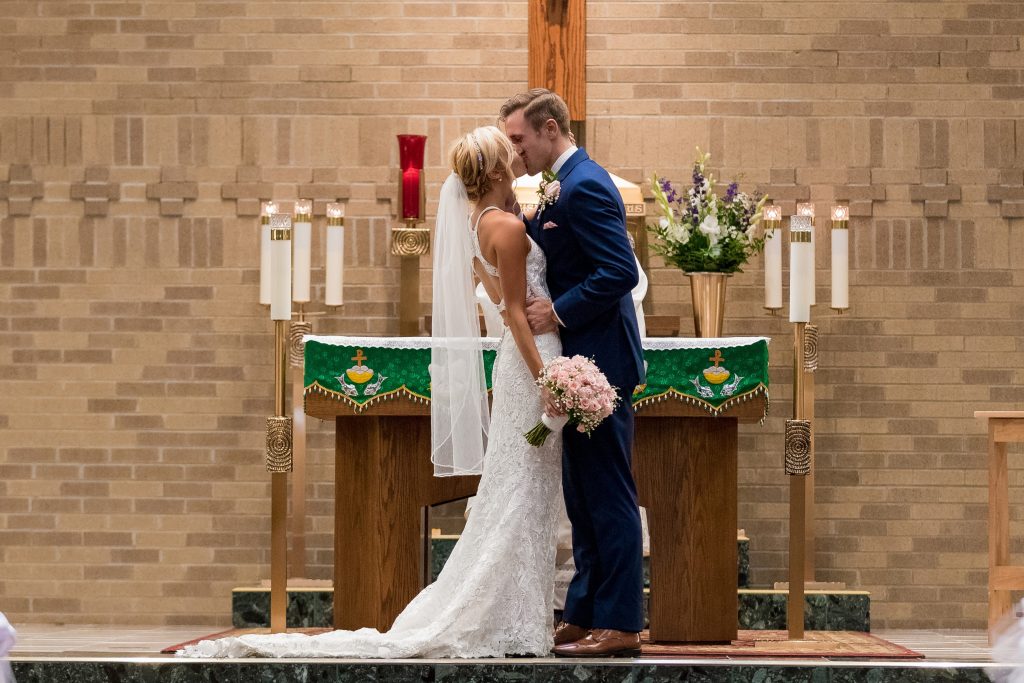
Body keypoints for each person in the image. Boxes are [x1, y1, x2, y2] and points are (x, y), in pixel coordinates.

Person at [180, 125, 565, 658]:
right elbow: (519, 313)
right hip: (532, 362)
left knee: (514, 491)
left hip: (513, 365)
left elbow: (500, 301)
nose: (519, 160)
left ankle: (512, 615)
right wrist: (547, 378)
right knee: (522, 493)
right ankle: (516, 618)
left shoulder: (477, 225)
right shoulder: (509, 228)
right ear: (498, 172)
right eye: (511, 155)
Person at [500, 88, 645, 658]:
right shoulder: (564, 185)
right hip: (579, 361)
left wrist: (557, 311)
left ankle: (622, 621)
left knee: (608, 494)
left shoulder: (583, 184)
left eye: (520, 139)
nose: (516, 152)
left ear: (551, 129)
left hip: (600, 364)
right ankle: (584, 610)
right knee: (581, 495)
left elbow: (620, 272)